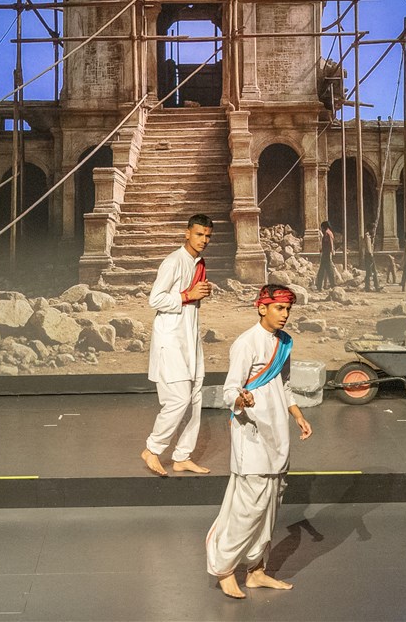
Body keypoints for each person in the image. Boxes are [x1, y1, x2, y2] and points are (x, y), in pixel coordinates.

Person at [205, 284, 312, 598]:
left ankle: (256, 571)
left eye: (288, 309)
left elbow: (285, 385)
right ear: (262, 307)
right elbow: (230, 389)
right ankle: (224, 569)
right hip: (251, 434)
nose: (285, 314)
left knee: (269, 509)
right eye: (280, 308)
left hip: (277, 433)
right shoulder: (246, 343)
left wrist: (298, 415)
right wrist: (242, 399)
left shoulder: (284, 342)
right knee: (248, 509)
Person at [141, 214, 214, 477]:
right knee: (179, 399)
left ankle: (182, 456)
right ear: (187, 233)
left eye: (207, 236)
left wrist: (197, 294)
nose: (203, 240)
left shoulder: (198, 263)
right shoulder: (173, 261)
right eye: (199, 234)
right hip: (170, 339)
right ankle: (152, 449)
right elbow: (155, 299)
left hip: (190, 339)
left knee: (194, 399)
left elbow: (191, 300)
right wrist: (187, 295)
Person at [314, 221, 336, 291]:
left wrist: (330, 251)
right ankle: (322, 286)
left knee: (326, 270)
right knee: (325, 270)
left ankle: (325, 286)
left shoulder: (327, 233)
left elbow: (330, 243)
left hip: (326, 254)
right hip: (327, 253)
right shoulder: (330, 232)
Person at [362, 226, 381, 292]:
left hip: (369, 255)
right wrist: (371, 256)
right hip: (369, 256)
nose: (374, 230)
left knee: (371, 272)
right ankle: (374, 286)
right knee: (371, 272)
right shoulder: (367, 237)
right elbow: (369, 248)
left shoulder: (369, 236)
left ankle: (370, 286)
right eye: (373, 229)